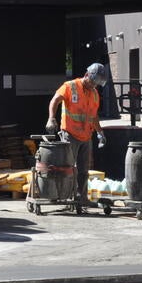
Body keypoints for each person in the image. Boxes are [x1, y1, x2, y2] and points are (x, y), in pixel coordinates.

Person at [46, 63, 108, 205]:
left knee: (83, 170)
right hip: (70, 133)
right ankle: (65, 196)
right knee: (68, 167)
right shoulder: (70, 86)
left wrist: (100, 132)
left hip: (86, 136)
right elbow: (55, 100)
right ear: (87, 75)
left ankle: (82, 198)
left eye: (97, 84)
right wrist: (51, 118)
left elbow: (94, 116)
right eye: (93, 82)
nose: (94, 86)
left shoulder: (94, 94)